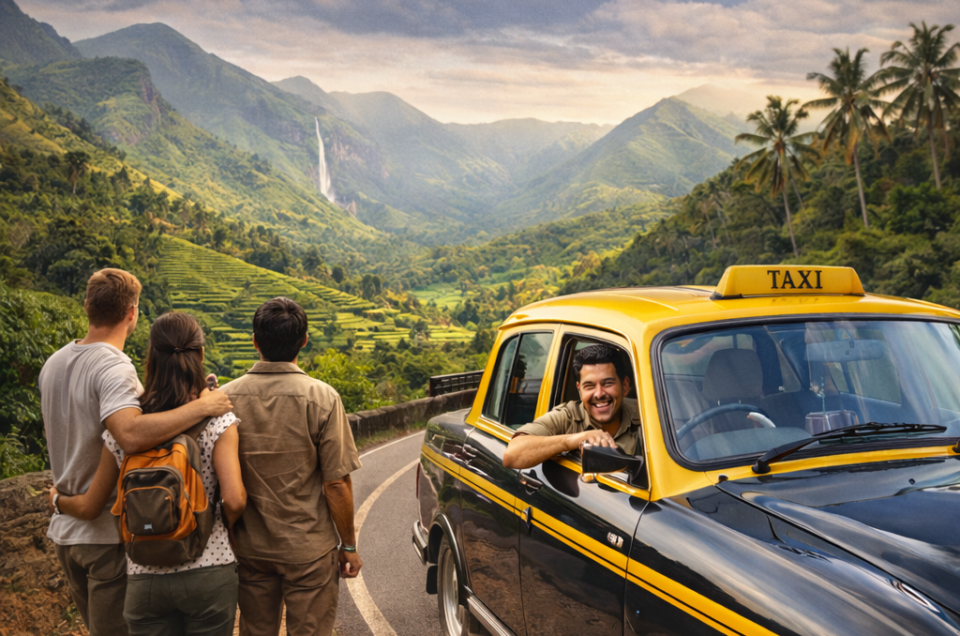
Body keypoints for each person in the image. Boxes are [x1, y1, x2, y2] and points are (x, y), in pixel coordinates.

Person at [39, 268, 233, 636]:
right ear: (132, 313)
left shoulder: (53, 364)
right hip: (107, 535)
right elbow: (130, 434)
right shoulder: (114, 366)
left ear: (86, 307)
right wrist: (204, 407)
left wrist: (59, 502)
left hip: (67, 534)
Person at [220, 297, 362, 636]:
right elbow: (336, 484)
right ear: (304, 340)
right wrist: (349, 547)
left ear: (254, 341)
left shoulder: (225, 398)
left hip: (249, 548)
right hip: (309, 550)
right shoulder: (322, 398)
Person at [503, 344, 641, 470]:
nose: (599, 394)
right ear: (579, 390)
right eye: (589, 386)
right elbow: (512, 456)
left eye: (608, 383)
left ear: (625, 385)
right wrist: (574, 439)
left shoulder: (647, 415)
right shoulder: (568, 416)